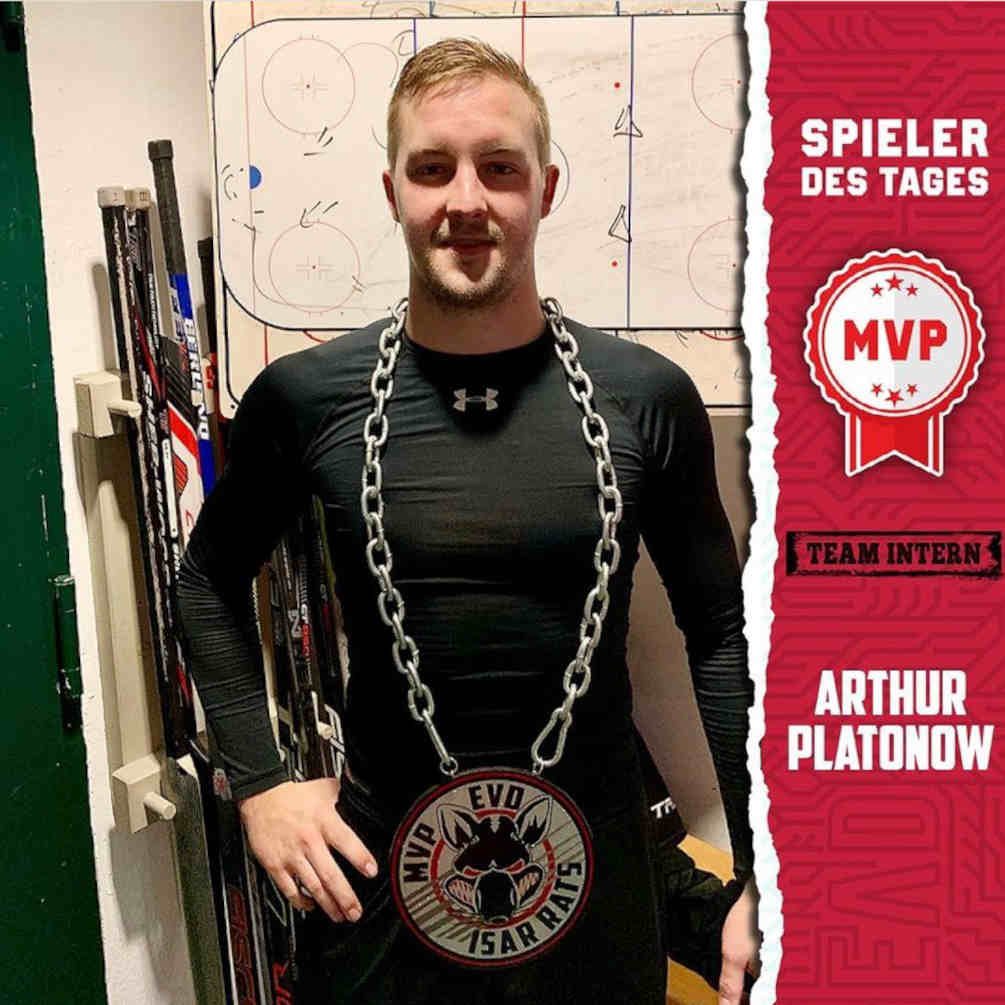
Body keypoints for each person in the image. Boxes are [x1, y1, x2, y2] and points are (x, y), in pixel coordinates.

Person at [178, 38, 757, 1005]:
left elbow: (722, 634)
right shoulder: (306, 400)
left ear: (546, 186)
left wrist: (762, 874)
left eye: (499, 168)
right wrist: (262, 782)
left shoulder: (644, 398)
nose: (465, 200)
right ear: (391, 187)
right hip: (380, 877)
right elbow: (205, 581)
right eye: (432, 168)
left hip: (598, 875)